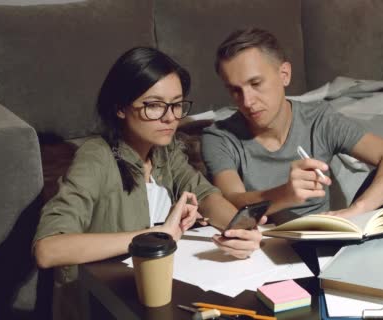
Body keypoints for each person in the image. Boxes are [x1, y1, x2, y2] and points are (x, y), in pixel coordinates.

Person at [32, 47, 264, 319]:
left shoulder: (164, 150)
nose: (169, 117)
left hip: (152, 297)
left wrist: (240, 230)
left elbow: (206, 195)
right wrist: (155, 238)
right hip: (100, 304)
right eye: (154, 105)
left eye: (176, 104)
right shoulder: (96, 157)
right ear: (120, 107)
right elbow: (48, 249)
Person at [201, 28, 383, 227]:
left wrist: (357, 210)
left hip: (322, 235)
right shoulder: (219, 136)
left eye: (256, 84)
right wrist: (285, 195)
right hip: (267, 247)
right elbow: (231, 201)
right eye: (235, 90)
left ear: (284, 74)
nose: (247, 101)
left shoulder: (319, 119)